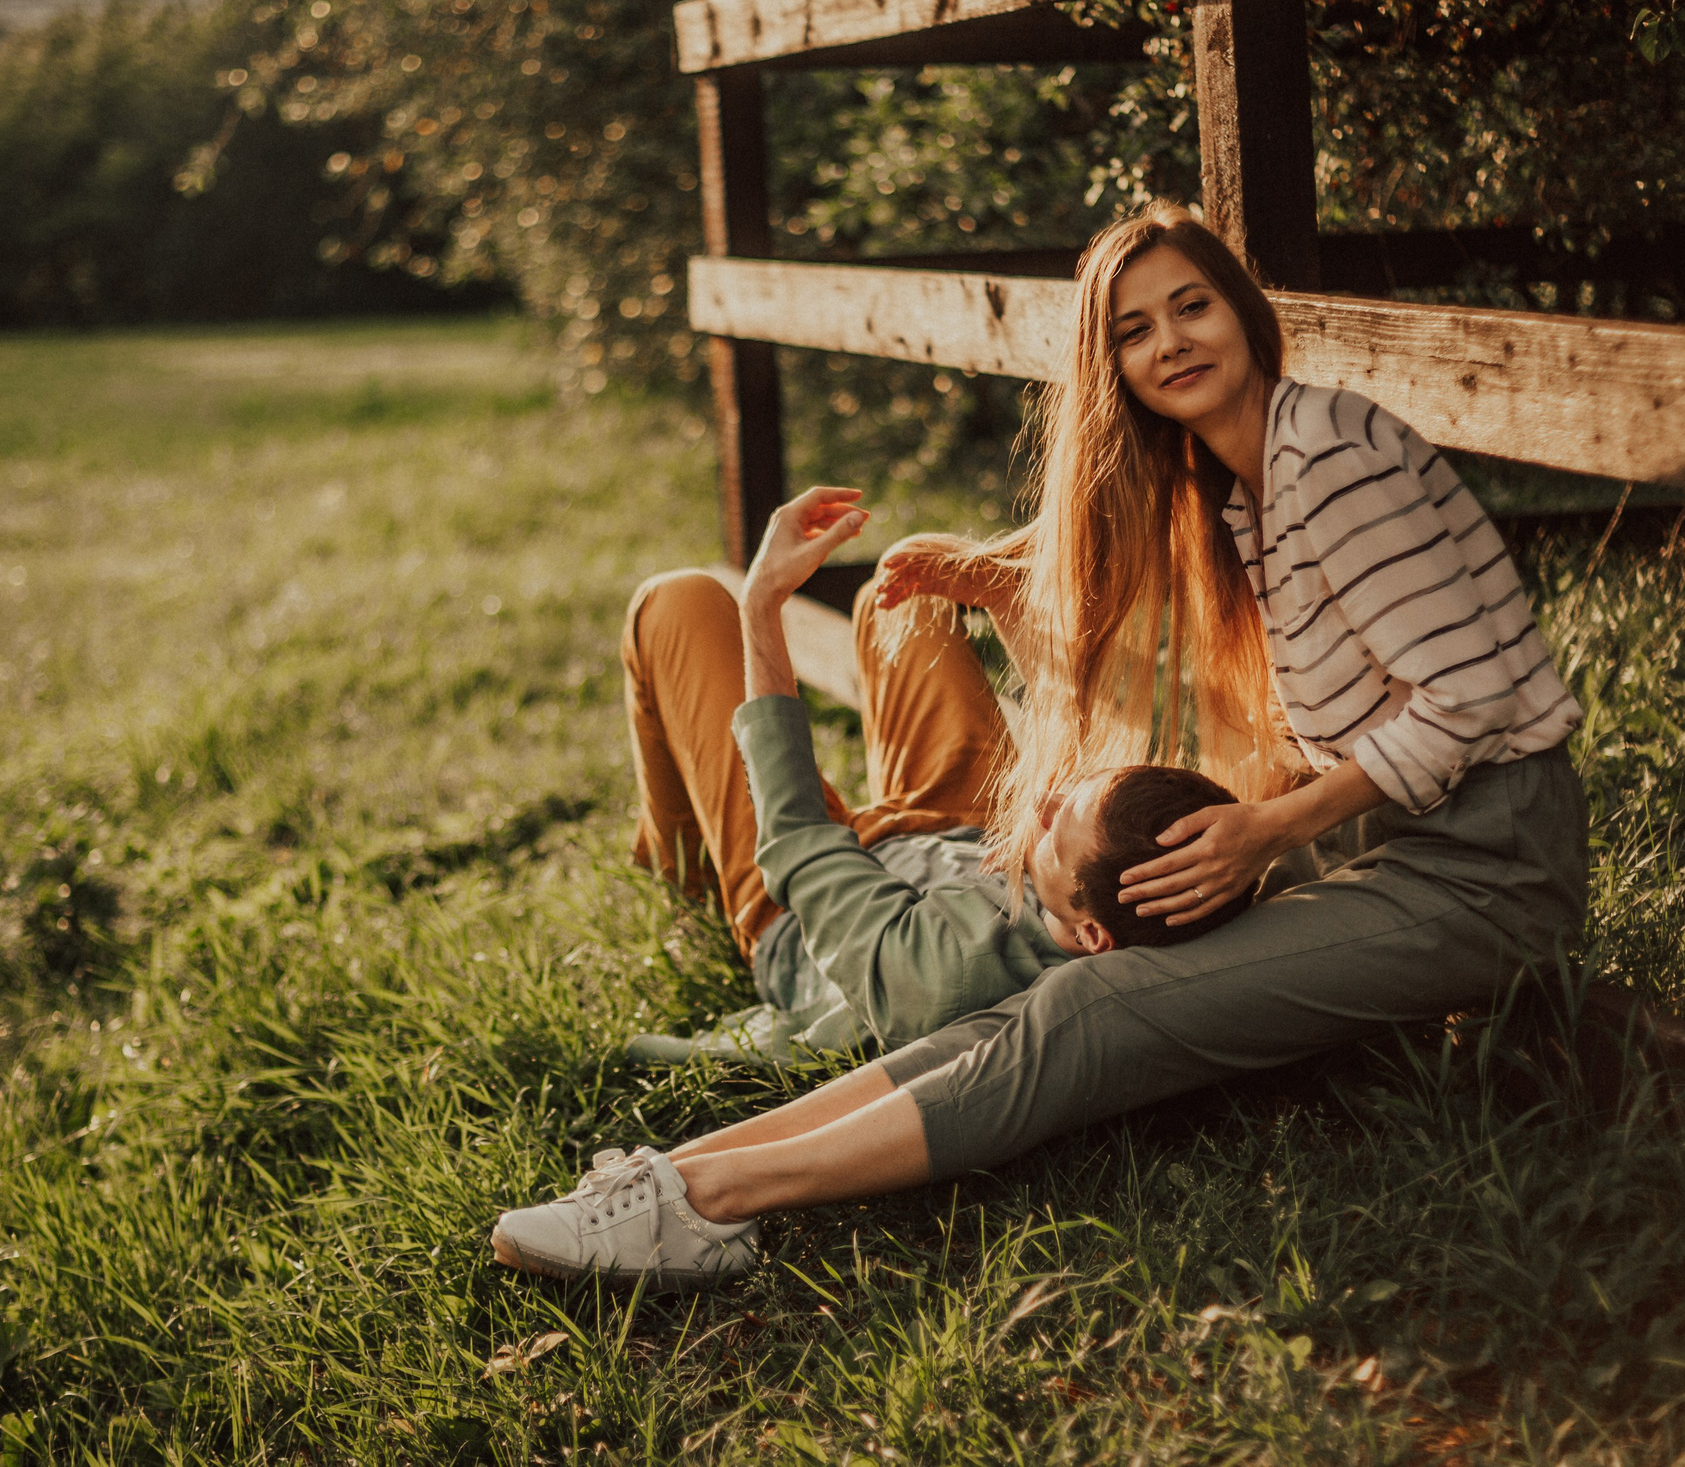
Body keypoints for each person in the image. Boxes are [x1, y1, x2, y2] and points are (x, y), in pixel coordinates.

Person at [491, 202, 1589, 1291]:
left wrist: (1273, 826)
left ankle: (712, 1205)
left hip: (1481, 868)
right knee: (1041, 1000)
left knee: (1087, 1008)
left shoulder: (1326, 455)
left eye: (1191, 306)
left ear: (1246, 315)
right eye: (1132, 329)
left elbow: (1477, 695)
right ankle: (670, 1176)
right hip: (1389, 839)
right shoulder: (1249, 485)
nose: (1170, 342)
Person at [614, 523, 1258, 1066]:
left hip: (803, 901)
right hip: (964, 840)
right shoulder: (1121, 883)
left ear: (1093, 939)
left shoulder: (940, 976)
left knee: (678, 602)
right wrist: (1006, 609)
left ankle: (692, 864)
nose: (1040, 804)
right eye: (1068, 801)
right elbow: (1077, 791)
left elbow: (798, 839)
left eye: (1056, 829)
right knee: (911, 584)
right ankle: (703, 833)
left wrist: (761, 608)